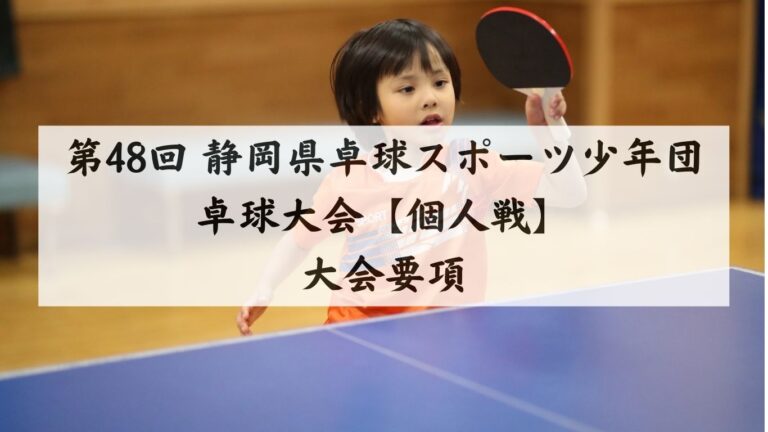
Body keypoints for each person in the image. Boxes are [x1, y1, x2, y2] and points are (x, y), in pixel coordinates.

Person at [237, 18, 583, 335]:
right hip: (360, 333)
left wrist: (549, 132)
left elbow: (570, 194)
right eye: (407, 89)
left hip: (448, 336)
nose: (430, 98)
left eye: (440, 82)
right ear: (371, 109)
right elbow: (299, 239)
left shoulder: (470, 164)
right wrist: (265, 286)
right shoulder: (349, 181)